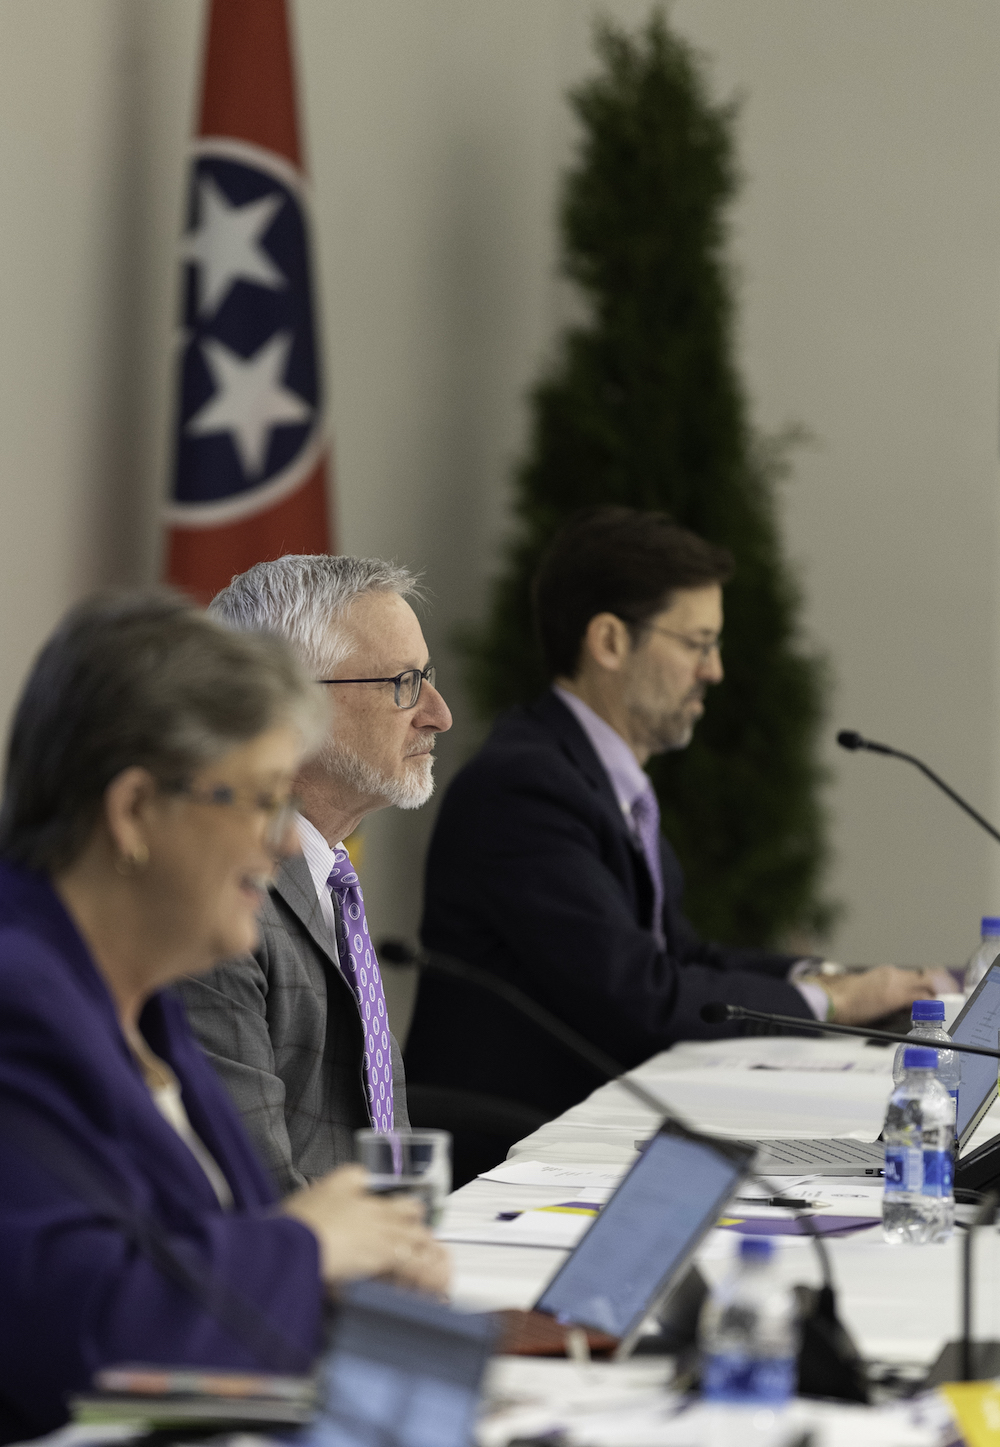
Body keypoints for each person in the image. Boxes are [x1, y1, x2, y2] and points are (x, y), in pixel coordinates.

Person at [0, 590, 446, 1443]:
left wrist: (351, 1296)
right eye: (257, 800)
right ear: (134, 812)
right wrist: (310, 1251)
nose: (284, 841)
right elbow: (94, 1349)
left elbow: (216, 1275)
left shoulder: (143, 1005)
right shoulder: (18, 1006)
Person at [405, 507, 948, 1116]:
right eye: (698, 644)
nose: (713, 671)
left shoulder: (595, 775)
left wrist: (833, 978)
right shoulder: (525, 787)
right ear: (610, 641)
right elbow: (641, 998)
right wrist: (835, 1001)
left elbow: (680, 957)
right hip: (509, 1150)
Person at [180, 555, 452, 1193]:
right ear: (291, 704)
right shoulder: (219, 904)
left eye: (427, 678)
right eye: (404, 683)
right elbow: (258, 1190)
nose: (437, 713)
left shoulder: (330, 880)